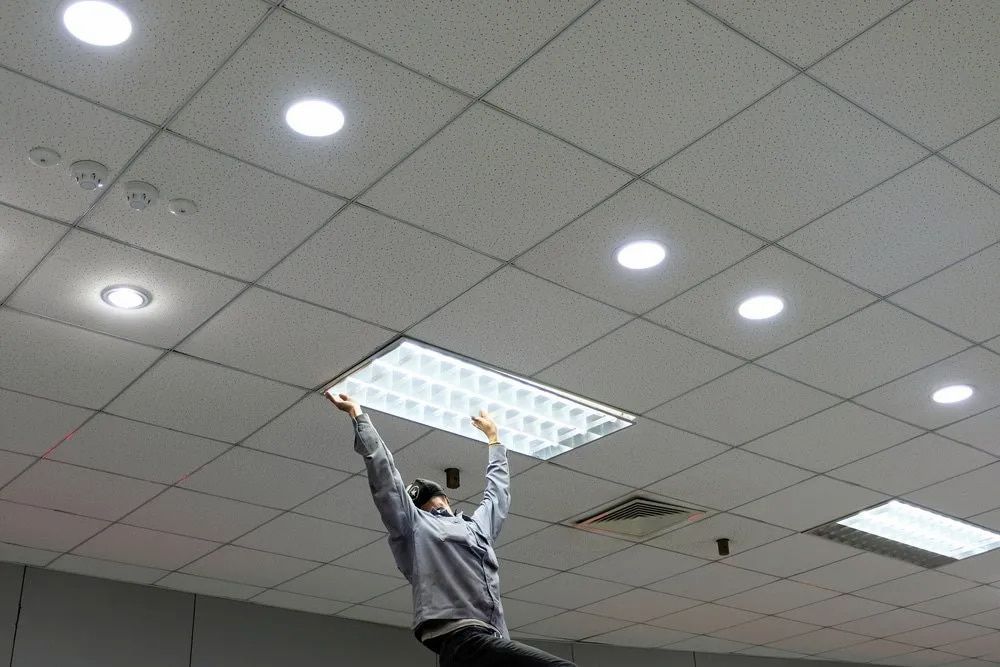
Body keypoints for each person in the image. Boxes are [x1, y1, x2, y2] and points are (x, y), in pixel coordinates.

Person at [327, 392, 576, 667]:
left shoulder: (476, 527)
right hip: (462, 640)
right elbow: (386, 480)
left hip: (491, 638)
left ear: (448, 499)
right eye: (423, 505)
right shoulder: (415, 527)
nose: (432, 507)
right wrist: (359, 417)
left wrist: (495, 441)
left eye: (436, 500)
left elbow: (497, 496)